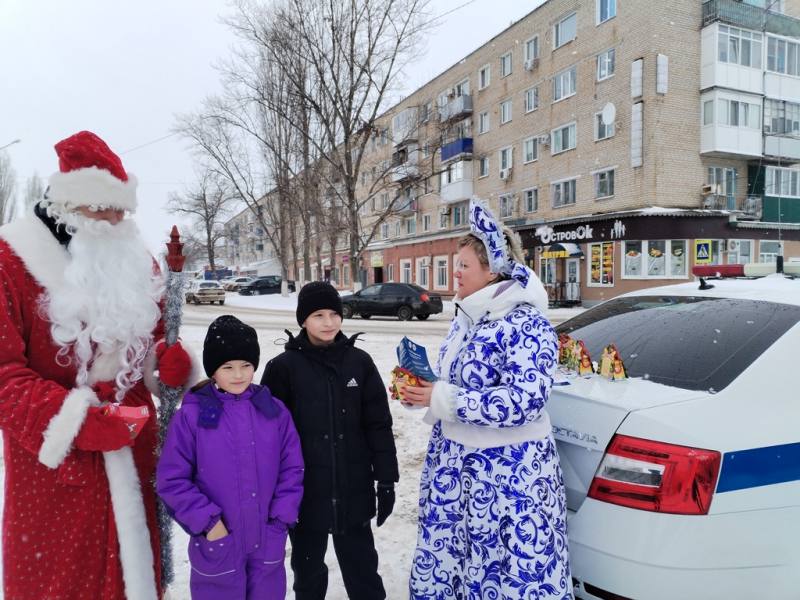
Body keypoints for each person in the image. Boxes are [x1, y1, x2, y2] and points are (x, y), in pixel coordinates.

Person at [0, 130, 195, 599]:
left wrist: (167, 366)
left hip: (133, 448)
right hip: (54, 472)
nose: (115, 220)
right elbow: (4, 377)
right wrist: (77, 419)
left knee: (135, 580)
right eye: (102, 208)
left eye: (122, 210)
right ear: (68, 205)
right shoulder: (9, 262)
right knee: (60, 583)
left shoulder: (136, 261)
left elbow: (150, 346)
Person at [403, 199, 573, 599]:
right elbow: (454, 383)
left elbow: (523, 400)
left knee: (503, 571)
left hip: (507, 479)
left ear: (492, 268)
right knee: (457, 568)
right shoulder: (468, 317)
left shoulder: (526, 323)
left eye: (463, 265)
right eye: (454, 263)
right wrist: (426, 393)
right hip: (457, 468)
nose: (455, 272)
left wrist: (444, 398)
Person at [261, 281, 399, 600]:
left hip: (354, 491)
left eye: (334, 314)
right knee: (308, 576)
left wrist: (387, 480)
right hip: (305, 497)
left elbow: (378, 425)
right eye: (319, 315)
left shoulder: (359, 363)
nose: (329, 322)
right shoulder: (283, 369)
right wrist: (273, 493)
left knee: (363, 572)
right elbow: (269, 438)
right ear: (303, 320)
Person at [157, 315, 304, 599]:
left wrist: (281, 518)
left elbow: (292, 468)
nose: (238, 375)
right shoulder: (192, 416)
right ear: (213, 370)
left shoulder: (273, 412)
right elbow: (172, 479)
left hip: (267, 540)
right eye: (228, 367)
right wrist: (209, 524)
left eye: (246, 365)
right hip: (219, 544)